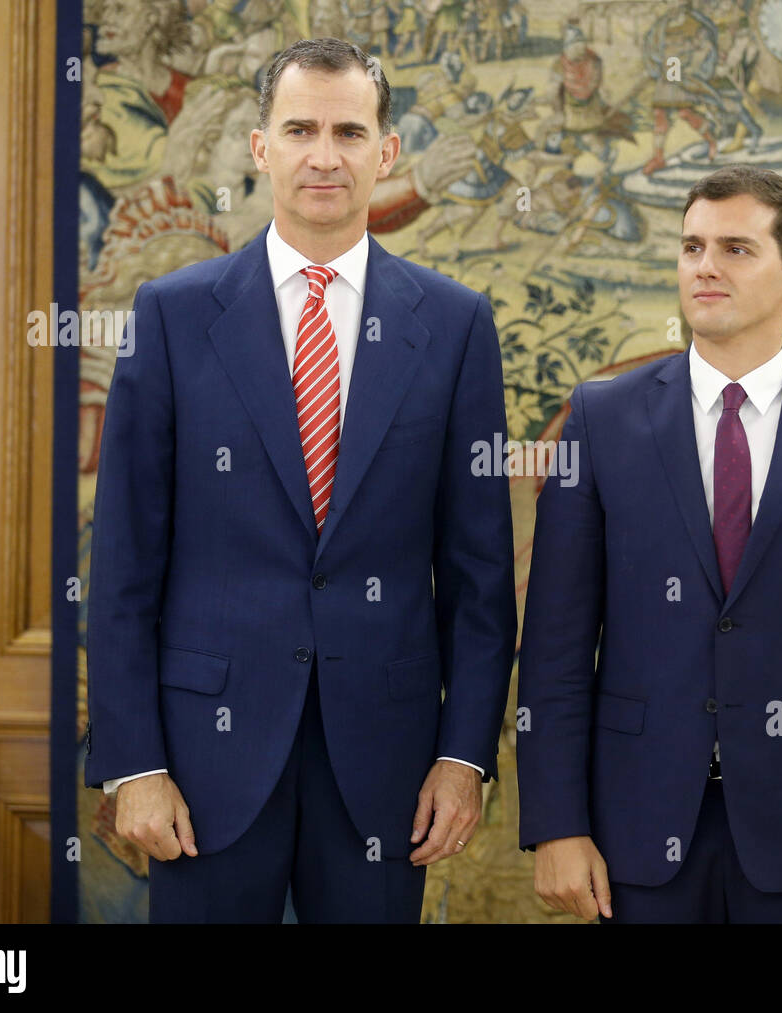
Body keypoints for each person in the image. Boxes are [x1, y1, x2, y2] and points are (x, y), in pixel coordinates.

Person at [83, 37, 517, 923]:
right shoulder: (171, 317)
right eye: (301, 129)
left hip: (387, 766)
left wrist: (464, 756)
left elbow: (480, 578)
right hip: (204, 760)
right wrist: (135, 762)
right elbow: (124, 565)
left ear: (386, 152)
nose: (326, 154)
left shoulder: (457, 326)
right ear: (260, 146)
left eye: (350, 131)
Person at [517, 165, 782, 923]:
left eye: (736, 249)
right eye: (691, 247)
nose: (705, 266)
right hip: (634, 838)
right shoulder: (601, 419)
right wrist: (557, 821)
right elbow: (555, 645)